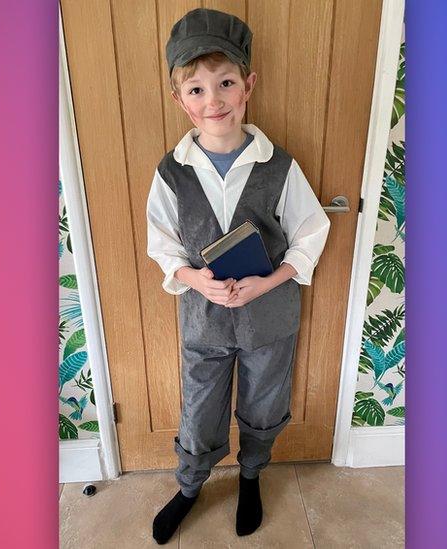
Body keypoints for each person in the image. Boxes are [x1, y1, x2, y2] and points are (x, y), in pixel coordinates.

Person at [145, 7, 330, 544]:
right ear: (179, 99)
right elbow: (162, 242)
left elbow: (311, 232)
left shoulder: (278, 164)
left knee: (264, 398)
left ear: (247, 86)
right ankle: (189, 485)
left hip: (269, 315)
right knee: (200, 404)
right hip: (203, 317)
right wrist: (193, 278)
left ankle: (251, 476)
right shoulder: (172, 172)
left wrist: (270, 280)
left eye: (225, 83)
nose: (214, 101)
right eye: (197, 90)